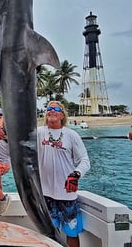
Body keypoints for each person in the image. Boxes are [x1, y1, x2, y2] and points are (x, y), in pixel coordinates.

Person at [37, 101, 90, 247]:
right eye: (48, 108)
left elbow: (85, 160)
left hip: (67, 195)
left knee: (72, 233)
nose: (51, 110)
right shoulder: (38, 133)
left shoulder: (71, 135)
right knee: (48, 235)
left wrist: (76, 174)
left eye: (56, 108)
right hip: (45, 195)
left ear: (62, 114)